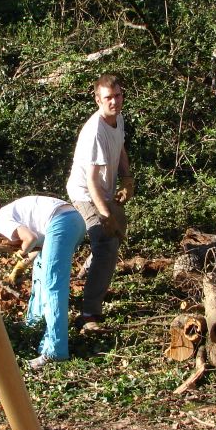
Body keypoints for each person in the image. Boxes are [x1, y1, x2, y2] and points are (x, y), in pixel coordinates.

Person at [0, 195, 85, 369]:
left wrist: (17, 256)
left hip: (61, 223)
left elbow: (29, 239)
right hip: (72, 220)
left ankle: (55, 351)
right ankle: (34, 324)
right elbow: (35, 246)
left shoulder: (1, 219)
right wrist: (20, 267)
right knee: (40, 270)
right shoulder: (13, 210)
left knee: (52, 285)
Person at [66, 73, 134, 332]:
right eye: (108, 98)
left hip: (104, 191)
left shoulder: (118, 119)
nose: (114, 102)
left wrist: (127, 178)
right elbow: (92, 182)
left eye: (117, 96)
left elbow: (121, 148)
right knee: (106, 242)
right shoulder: (94, 131)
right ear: (97, 99)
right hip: (85, 193)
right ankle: (89, 315)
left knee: (118, 228)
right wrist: (106, 216)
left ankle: (89, 270)